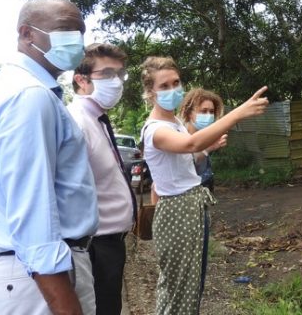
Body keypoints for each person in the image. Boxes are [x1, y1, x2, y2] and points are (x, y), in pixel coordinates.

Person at [0, 0, 98, 315]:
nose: (75, 40)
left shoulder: (16, 88)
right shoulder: (29, 97)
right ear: (26, 34)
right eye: (63, 29)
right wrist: (66, 306)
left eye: (80, 31)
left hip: (31, 276)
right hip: (40, 280)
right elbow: (33, 216)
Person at [139, 56, 268, 314]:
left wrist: (206, 150)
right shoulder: (154, 129)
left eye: (176, 82)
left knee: (190, 286)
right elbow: (189, 145)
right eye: (164, 86)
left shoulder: (174, 123)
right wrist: (237, 113)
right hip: (177, 211)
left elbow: (187, 157)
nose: (173, 89)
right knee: (178, 289)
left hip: (190, 206)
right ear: (150, 92)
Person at [67, 43, 136, 315]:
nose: (117, 82)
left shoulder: (98, 121)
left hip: (109, 244)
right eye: (107, 74)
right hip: (96, 247)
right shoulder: (78, 122)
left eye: (120, 75)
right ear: (81, 80)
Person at [179, 88, 227, 192]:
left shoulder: (206, 137)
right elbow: (187, 166)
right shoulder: (180, 136)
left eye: (211, 112)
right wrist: (208, 149)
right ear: (189, 113)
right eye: (203, 111)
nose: (209, 116)